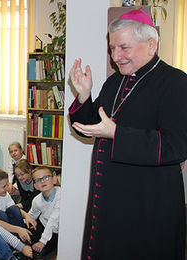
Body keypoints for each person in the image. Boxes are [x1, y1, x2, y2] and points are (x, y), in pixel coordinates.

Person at [69, 9, 187, 259]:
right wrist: (83, 96)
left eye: (124, 47)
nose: (116, 56)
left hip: (148, 203)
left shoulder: (176, 82)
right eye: (112, 48)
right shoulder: (115, 82)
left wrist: (117, 134)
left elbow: (176, 146)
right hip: (111, 199)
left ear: (151, 45)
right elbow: (91, 126)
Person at [0, 168, 36, 244]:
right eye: (4, 186)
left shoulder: (3, 194)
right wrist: (18, 229)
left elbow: (14, 208)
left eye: (7, 185)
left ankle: (24, 239)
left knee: (14, 209)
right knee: (0, 214)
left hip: (6, 224)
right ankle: (14, 243)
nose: (7, 188)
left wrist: (27, 216)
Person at [27, 167, 60, 258]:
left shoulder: (60, 195)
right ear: (36, 186)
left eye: (46, 178)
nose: (42, 181)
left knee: (39, 253)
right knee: (28, 239)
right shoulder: (37, 200)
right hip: (43, 226)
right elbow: (31, 215)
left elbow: (53, 220)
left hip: (57, 232)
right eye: (38, 180)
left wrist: (42, 241)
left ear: (54, 179)